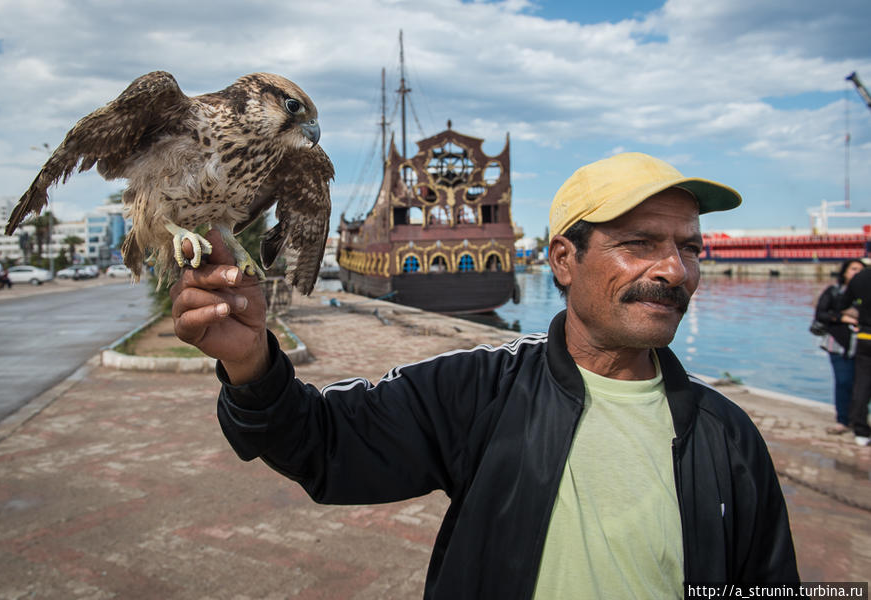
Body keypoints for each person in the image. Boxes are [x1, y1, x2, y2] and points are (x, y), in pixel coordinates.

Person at [171, 152, 799, 597]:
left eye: (689, 247)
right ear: (563, 260)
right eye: (640, 243)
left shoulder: (729, 438)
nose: (674, 270)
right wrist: (250, 361)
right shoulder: (480, 392)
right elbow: (322, 442)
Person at [814, 259, 864, 434]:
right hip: (839, 345)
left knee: (862, 385)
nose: (857, 273)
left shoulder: (865, 294)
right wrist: (843, 318)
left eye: (861, 270)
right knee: (843, 382)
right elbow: (820, 313)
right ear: (844, 272)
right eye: (853, 269)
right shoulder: (834, 292)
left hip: (863, 345)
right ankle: (843, 419)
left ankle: (858, 419)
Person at [839, 262, 871, 446]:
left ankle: (861, 431)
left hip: (865, 336)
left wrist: (858, 315)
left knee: (862, 384)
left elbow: (843, 304)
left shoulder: (860, 278)